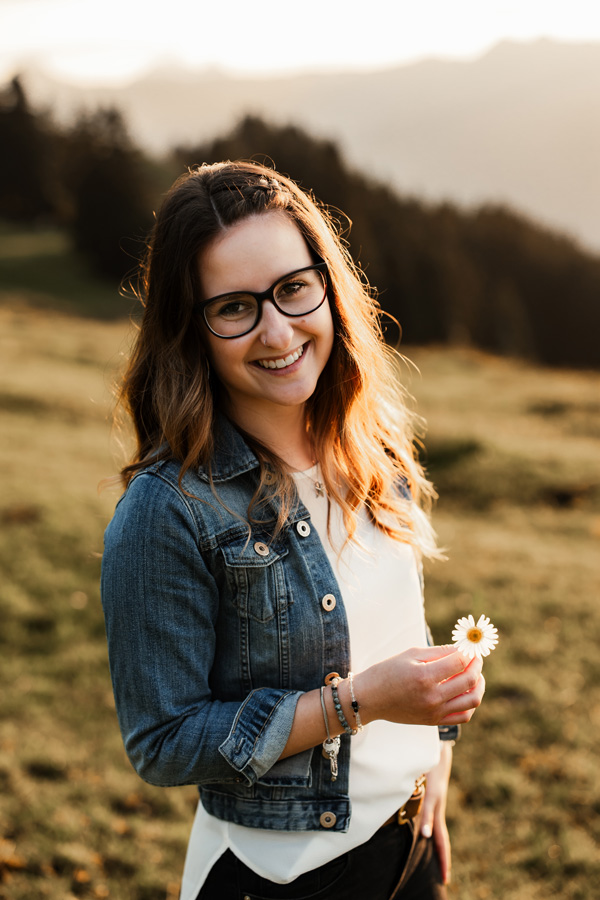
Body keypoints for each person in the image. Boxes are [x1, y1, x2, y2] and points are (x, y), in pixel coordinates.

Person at [101, 160, 485, 900]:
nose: (277, 330)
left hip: (408, 851)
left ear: (326, 282)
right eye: (235, 307)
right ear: (195, 330)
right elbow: (161, 742)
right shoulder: (166, 511)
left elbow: (395, 625)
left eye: (291, 288)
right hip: (278, 881)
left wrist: (433, 755)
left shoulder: (371, 444)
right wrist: (360, 703)